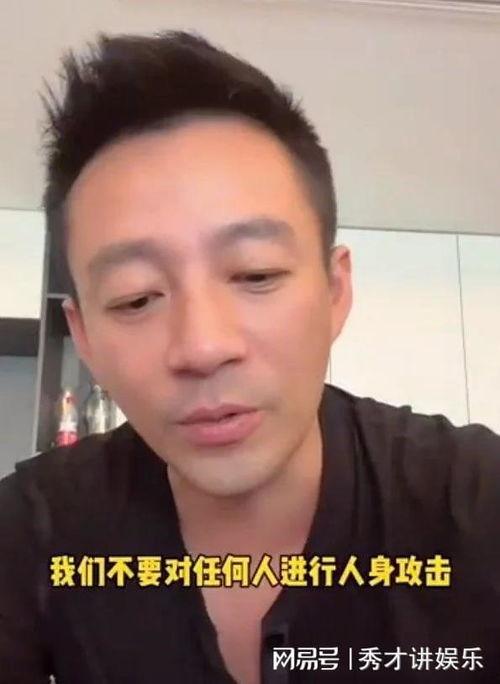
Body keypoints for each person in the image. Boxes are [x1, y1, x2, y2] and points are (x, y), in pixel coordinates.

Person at [0, 29, 499, 684]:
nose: (203, 347)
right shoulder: (32, 532)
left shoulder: (475, 500)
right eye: (135, 298)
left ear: (335, 291)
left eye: (256, 274)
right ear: (84, 336)